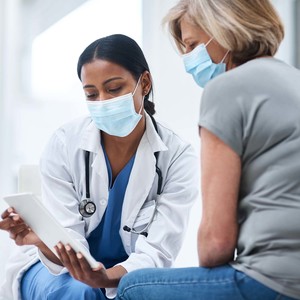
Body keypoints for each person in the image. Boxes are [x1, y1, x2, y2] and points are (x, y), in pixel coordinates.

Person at [115, 0, 300, 299]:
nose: (188, 59)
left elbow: (216, 244)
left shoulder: (226, 89)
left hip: (274, 281)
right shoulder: (294, 80)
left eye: (192, 45)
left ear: (226, 29)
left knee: (132, 286)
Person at [0, 34, 199, 300]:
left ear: (145, 83)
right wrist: (43, 242)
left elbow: (158, 252)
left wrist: (106, 277)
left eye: (114, 89)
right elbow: (67, 242)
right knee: (83, 292)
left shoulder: (176, 156)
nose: (103, 101)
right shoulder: (65, 145)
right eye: (91, 94)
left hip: (125, 273)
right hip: (56, 270)